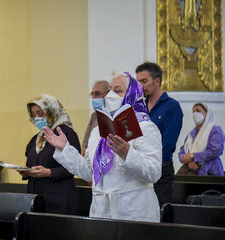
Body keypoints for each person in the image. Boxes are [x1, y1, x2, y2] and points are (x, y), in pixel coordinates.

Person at [43, 73, 162, 222]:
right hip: (101, 211)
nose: (111, 95)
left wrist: (128, 154)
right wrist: (65, 149)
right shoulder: (98, 132)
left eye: (118, 90)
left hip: (133, 211)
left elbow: (153, 173)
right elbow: (89, 173)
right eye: (110, 90)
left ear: (132, 94)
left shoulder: (146, 128)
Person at [19, 94, 81, 214]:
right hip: (36, 200)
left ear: (51, 111)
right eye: (34, 114)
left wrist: (49, 172)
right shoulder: (36, 139)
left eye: (40, 113)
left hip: (59, 200)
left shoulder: (66, 133)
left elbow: (76, 166)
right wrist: (27, 171)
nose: (37, 118)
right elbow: (31, 162)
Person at [136, 62, 183, 206]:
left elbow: (168, 144)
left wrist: (146, 160)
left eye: (144, 81)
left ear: (157, 81)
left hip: (161, 168)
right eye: (137, 82)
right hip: (141, 168)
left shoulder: (172, 106)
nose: (140, 86)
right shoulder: (139, 107)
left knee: (160, 214)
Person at [177, 103, 224, 176]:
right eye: (193, 111)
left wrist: (193, 157)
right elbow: (183, 151)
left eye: (198, 111)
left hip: (210, 171)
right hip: (191, 169)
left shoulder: (215, 130)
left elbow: (215, 151)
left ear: (207, 113)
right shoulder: (191, 133)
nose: (195, 114)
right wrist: (187, 160)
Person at [82, 80, 109, 156]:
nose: (93, 98)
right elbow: (85, 146)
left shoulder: (115, 116)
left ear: (108, 94)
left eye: (97, 94)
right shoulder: (95, 115)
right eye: (92, 94)